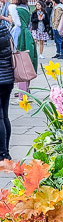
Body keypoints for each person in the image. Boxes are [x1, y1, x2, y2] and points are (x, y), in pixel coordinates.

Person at [8, 0, 37, 98]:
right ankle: (25, 92)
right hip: (26, 38)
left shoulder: (18, 11)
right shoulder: (25, 9)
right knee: (26, 64)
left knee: (21, 65)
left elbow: (17, 23)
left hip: (21, 39)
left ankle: (22, 95)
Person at [0, 18, 14, 162]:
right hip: (7, 78)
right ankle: (6, 151)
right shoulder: (5, 30)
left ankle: (2, 153)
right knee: (4, 116)